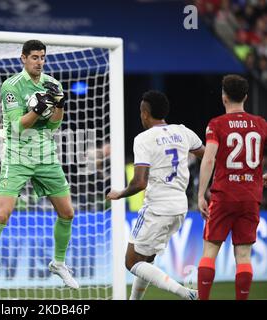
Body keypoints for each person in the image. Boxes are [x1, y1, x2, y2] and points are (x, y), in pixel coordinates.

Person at [0, 39, 77, 300]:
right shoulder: (11, 87)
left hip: (45, 155)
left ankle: (58, 263)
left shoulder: (53, 84)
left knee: (68, 212)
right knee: (2, 214)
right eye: (35, 57)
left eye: (42, 57)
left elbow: (53, 127)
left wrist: (58, 105)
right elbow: (17, 127)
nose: (39, 62)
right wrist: (38, 109)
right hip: (17, 156)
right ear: (23, 59)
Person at [106, 90, 205, 300]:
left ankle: (185, 293)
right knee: (146, 260)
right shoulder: (183, 132)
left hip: (157, 208)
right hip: (180, 207)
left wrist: (120, 193)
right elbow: (208, 156)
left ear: (144, 113)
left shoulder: (144, 139)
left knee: (131, 262)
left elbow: (140, 182)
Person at [197, 74, 267, 300]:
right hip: (250, 197)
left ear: (223, 96)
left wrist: (200, 194)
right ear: (246, 96)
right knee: (244, 255)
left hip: (224, 195)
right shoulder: (261, 124)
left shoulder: (217, 124)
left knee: (210, 251)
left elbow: (208, 159)